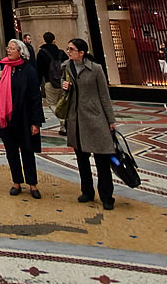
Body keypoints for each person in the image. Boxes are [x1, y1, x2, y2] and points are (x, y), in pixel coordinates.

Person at [62, 38, 118, 210]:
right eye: (68, 48)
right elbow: (63, 94)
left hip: (95, 119)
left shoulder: (96, 69)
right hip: (76, 119)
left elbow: (104, 96)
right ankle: (87, 191)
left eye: (72, 49)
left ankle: (106, 196)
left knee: (102, 159)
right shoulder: (66, 67)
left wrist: (111, 120)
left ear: (81, 52)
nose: (69, 51)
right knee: (82, 159)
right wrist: (63, 87)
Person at [0, 38, 43, 198]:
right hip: (5, 118)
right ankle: (16, 183)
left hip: (24, 117)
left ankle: (32, 184)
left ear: (20, 51)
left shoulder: (29, 70)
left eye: (12, 48)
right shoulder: (1, 66)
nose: (9, 50)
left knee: (27, 150)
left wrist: (36, 122)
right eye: (8, 47)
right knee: (11, 152)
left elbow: (36, 97)